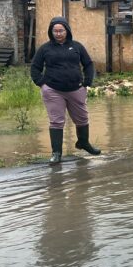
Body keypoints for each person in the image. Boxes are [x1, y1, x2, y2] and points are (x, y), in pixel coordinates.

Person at [30, 16, 101, 163]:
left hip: (76, 89)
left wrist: (87, 82)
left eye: (61, 30)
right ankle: (56, 153)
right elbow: (35, 67)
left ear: (67, 31)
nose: (58, 34)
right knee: (56, 121)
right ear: (51, 32)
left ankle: (84, 143)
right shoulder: (45, 49)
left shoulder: (77, 47)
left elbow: (88, 64)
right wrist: (41, 83)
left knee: (82, 118)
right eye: (55, 31)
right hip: (53, 90)